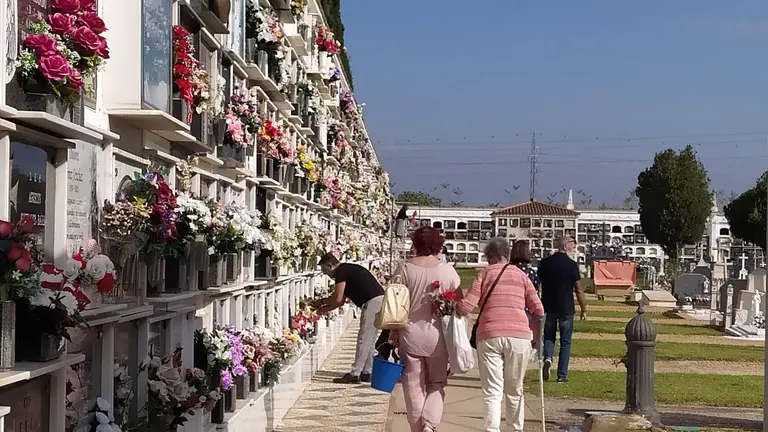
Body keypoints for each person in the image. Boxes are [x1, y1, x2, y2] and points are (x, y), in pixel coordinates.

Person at [456, 238, 544, 432]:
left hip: (489, 334)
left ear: (490, 256)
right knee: (515, 389)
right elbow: (538, 309)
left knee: (492, 390)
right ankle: (515, 428)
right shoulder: (521, 276)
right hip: (519, 336)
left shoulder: (484, 274)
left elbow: (466, 307)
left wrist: (454, 305)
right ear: (507, 254)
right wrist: (537, 336)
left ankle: (492, 429)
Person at [393, 226, 460, 432]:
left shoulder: (404, 269)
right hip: (438, 337)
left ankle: (416, 428)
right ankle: (429, 425)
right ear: (438, 245)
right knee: (437, 384)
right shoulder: (447, 270)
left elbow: (394, 302)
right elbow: (460, 303)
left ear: (415, 243)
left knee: (413, 385)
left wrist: (392, 332)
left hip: (409, 335)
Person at [316, 253, 385, 384]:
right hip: (379, 301)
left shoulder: (340, 272)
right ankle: (367, 371)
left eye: (324, 270)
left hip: (372, 303)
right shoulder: (347, 269)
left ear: (330, 266)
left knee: (364, 338)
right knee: (370, 339)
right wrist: (323, 309)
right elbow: (340, 301)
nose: (325, 274)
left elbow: (337, 299)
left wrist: (321, 303)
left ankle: (355, 373)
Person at [537, 236, 587, 383]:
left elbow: (537, 285)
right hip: (566, 307)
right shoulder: (571, 265)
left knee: (548, 336)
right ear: (565, 246)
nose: (574, 247)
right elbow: (578, 289)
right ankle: (562, 375)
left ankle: (548, 357)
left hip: (548, 305)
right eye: (573, 244)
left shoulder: (545, 263)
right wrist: (583, 308)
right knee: (565, 342)